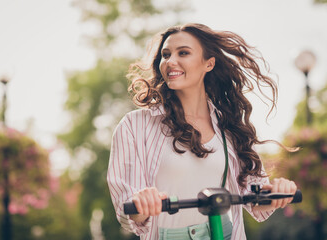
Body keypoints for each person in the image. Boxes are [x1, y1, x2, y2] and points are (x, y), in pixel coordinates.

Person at [107, 23, 297, 240]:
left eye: (184, 53)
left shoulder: (229, 125)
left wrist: (277, 191)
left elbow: (255, 199)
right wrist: (141, 204)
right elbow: (126, 211)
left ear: (209, 63)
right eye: (165, 55)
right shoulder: (134, 126)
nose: (170, 61)